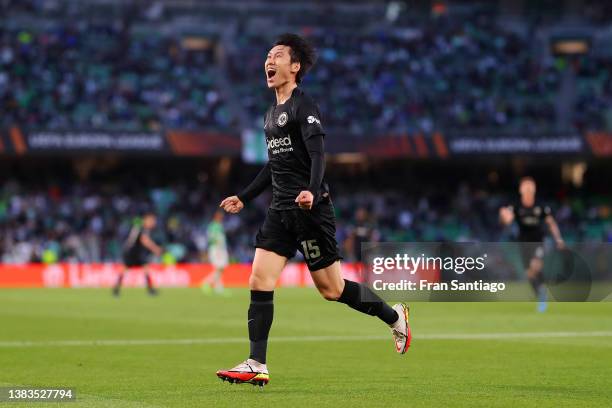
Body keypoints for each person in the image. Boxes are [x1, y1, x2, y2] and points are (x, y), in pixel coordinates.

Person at [215, 33, 411, 388]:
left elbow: (319, 155)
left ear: (295, 66)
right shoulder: (270, 114)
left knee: (332, 290)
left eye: (277, 55)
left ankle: (394, 316)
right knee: (259, 279)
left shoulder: (304, 106)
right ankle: (256, 362)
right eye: (267, 56)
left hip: (309, 210)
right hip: (280, 211)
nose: (269, 61)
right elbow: (273, 167)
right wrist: (244, 196)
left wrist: (311, 189)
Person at [499, 177, 565, 312]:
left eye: (531, 186)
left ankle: (542, 293)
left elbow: (551, 223)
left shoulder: (541, 206)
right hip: (523, 242)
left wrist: (558, 239)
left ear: (534, 189)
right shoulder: (516, 205)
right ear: (520, 189)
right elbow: (506, 222)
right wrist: (504, 217)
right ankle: (541, 293)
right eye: (525, 186)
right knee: (529, 273)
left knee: (535, 265)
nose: (528, 188)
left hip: (539, 241)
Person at [112, 213, 163, 297]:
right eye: (152, 221)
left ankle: (150, 290)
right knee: (125, 269)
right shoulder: (141, 227)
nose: (154, 223)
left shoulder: (139, 226)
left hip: (135, 251)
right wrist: (155, 249)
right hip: (131, 252)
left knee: (144, 268)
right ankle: (116, 289)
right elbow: (144, 240)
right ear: (147, 219)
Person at [201, 210, 229, 294]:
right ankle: (213, 285)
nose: (221, 218)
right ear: (216, 217)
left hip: (220, 248)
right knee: (219, 267)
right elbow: (212, 238)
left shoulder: (218, 225)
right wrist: (218, 246)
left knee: (220, 268)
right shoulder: (213, 226)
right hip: (217, 249)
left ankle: (211, 283)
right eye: (220, 217)